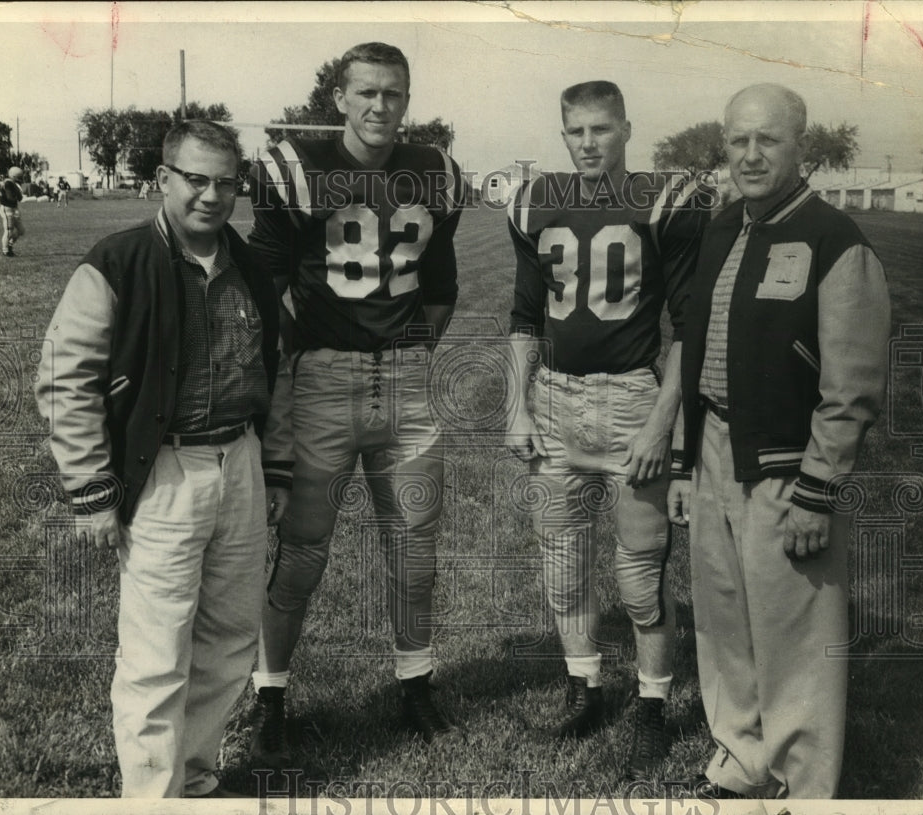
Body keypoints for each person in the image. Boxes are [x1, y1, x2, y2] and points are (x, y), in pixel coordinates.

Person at [35, 120, 292, 798]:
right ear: (163, 179)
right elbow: (66, 377)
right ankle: (151, 795)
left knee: (231, 636)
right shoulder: (118, 261)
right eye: (195, 178)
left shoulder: (254, 269)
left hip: (239, 460)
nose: (211, 194)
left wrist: (277, 468)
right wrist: (90, 485)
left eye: (226, 182)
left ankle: (197, 775)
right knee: (156, 649)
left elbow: (278, 376)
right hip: (164, 472)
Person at [247, 41, 467, 762]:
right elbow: (266, 286)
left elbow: (440, 290)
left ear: (408, 98)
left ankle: (414, 683)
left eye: (394, 94)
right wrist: (321, 353)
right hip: (322, 382)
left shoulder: (433, 172)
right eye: (366, 93)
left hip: (405, 381)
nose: (380, 106)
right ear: (339, 97)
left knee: (414, 547)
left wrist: (399, 351)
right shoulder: (295, 167)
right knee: (304, 549)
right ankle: (269, 692)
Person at [669, 83, 891, 798]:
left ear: (803, 146)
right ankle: (741, 757)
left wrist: (817, 491)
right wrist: (682, 461)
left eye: (768, 139)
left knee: (794, 638)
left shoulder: (834, 240)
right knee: (724, 621)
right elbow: (696, 346)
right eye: (738, 140)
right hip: (713, 453)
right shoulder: (722, 225)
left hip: (788, 469)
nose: (751, 154)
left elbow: (850, 384)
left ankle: (804, 786)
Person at [506, 81, 710, 779]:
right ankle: (584, 685)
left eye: (601, 129)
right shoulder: (537, 202)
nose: (588, 143)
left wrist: (663, 422)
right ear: (562, 134)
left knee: (639, 574)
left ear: (627, 128)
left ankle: (652, 708)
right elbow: (523, 317)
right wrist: (517, 403)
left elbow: (689, 326)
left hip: (630, 400)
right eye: (575, 131)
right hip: (556, 399)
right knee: (562, 563)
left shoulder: (663, 201)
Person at [0, 166, 25, 256]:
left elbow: (20, 198)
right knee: (9, 230)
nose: (21, 179)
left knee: (21, 230)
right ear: (14, 176)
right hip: (7, 208)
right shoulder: (8, 183)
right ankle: (5, 250)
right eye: (19, 176)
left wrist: (18, 190)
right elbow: (10, 198)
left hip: (14, 208)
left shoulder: (13, 183)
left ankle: (10, 244)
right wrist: (17, 194)